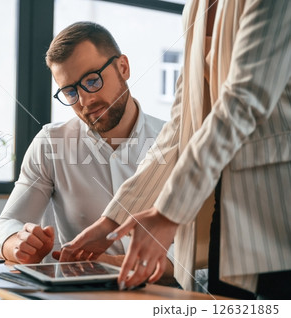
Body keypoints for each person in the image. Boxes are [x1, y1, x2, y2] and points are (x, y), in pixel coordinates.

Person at [60, 0, 291, 299]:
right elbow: (181, 125)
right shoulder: (194, 8)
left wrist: (167, 213)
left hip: (279, 207)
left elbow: (243, 102)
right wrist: (111, 222)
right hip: (232, 209)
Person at [0, 21, 168, 275]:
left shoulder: (173, 141)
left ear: (123, 67)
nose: (86, 100)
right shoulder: (51, 143)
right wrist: (17, 244)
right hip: (75, 297)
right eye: (70, 92)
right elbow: (6, 226)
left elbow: (194, 255)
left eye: (92, 80)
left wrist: (115, 265)